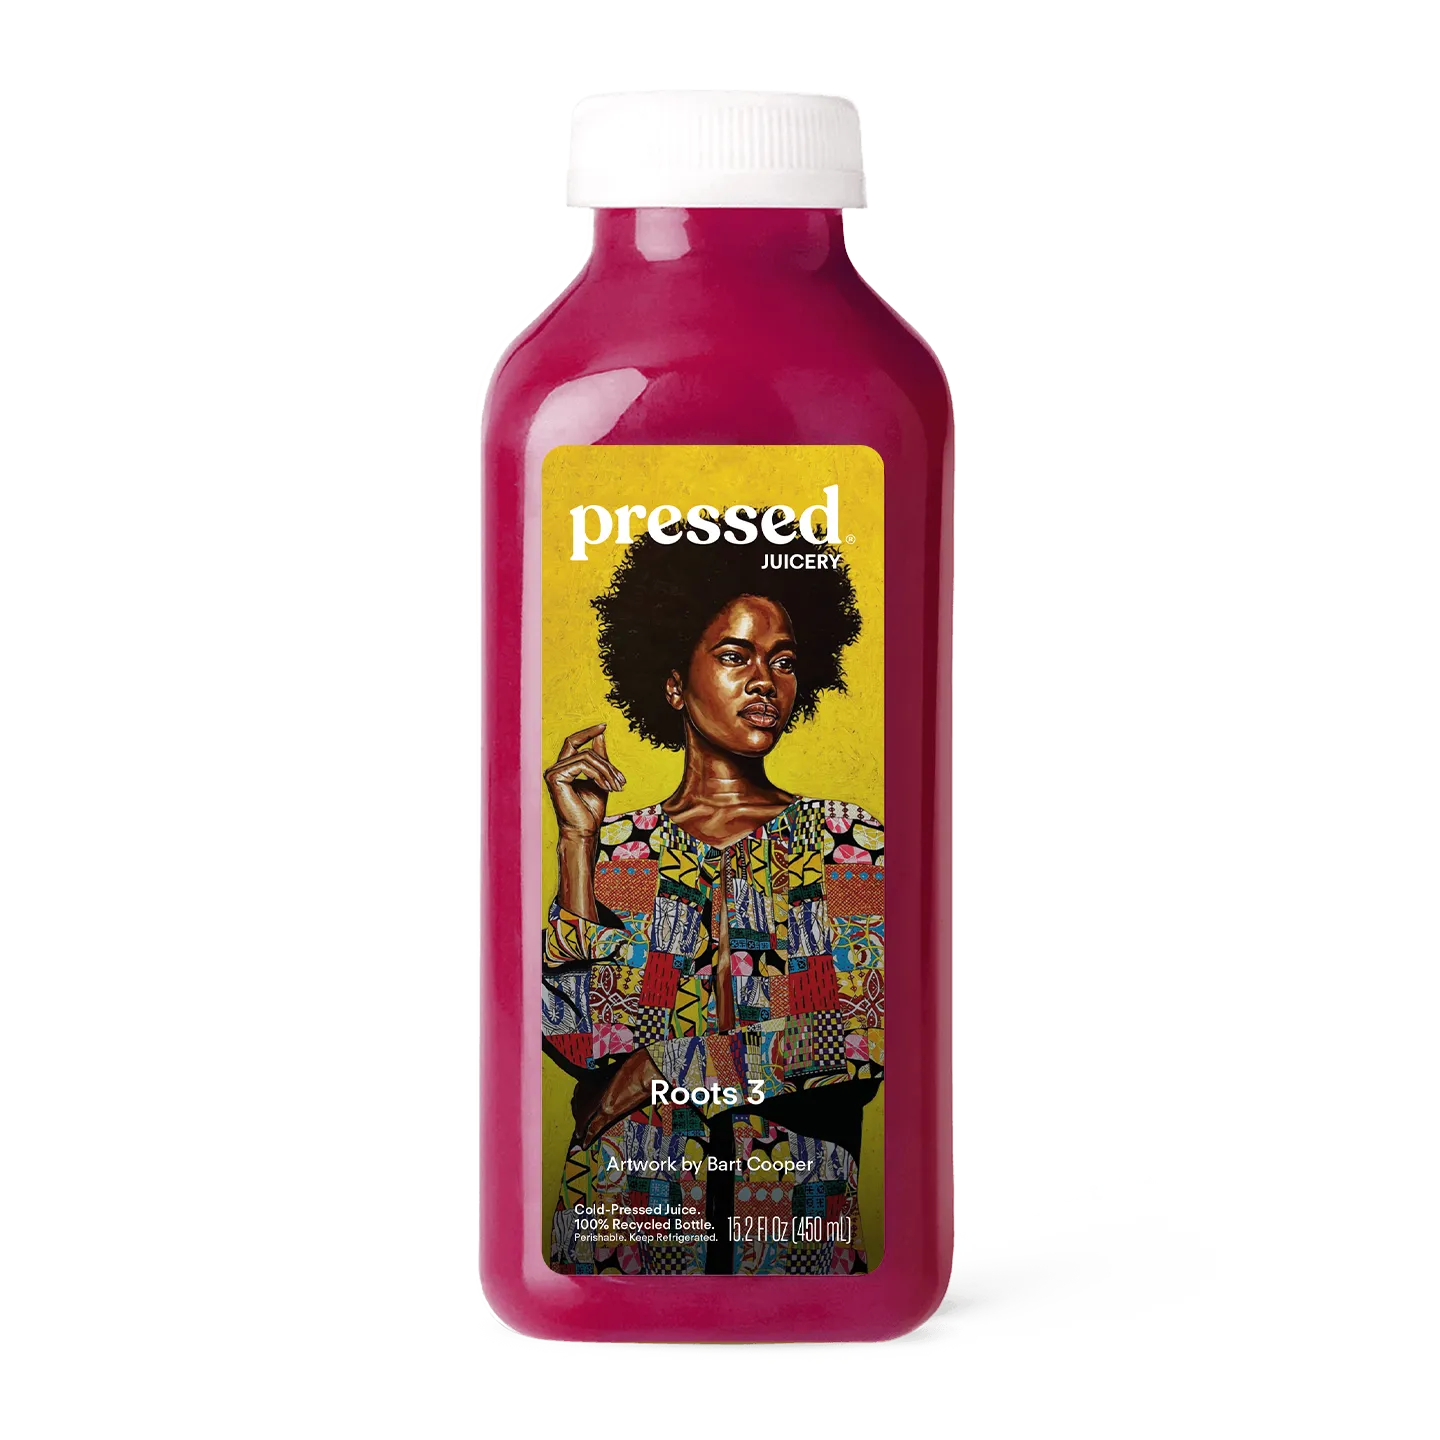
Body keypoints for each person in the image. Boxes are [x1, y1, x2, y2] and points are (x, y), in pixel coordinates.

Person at [541, 520, 884, 1276]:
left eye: (782, 661)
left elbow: (860, 1041)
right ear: (673, 684)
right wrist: (577, 847)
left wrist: (668, 1062)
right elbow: (578, 1041)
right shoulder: (626, 850)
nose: (764, 680)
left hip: (797, 1236)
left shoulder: (845, 842)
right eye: (734, 656)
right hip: (621, 1232)